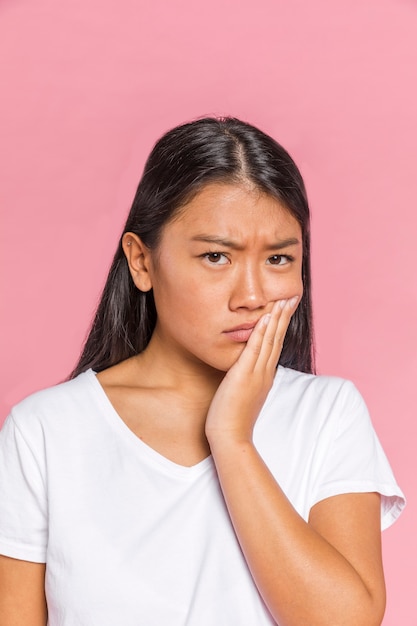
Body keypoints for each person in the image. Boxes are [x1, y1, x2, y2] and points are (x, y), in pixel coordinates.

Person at [0, 117, 405, 626]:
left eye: (279, 258)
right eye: (217, 256)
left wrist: (232, 438)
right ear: (142, 262)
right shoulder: (46, 431)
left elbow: (346, 621)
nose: (253, 297)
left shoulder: (327, 414)